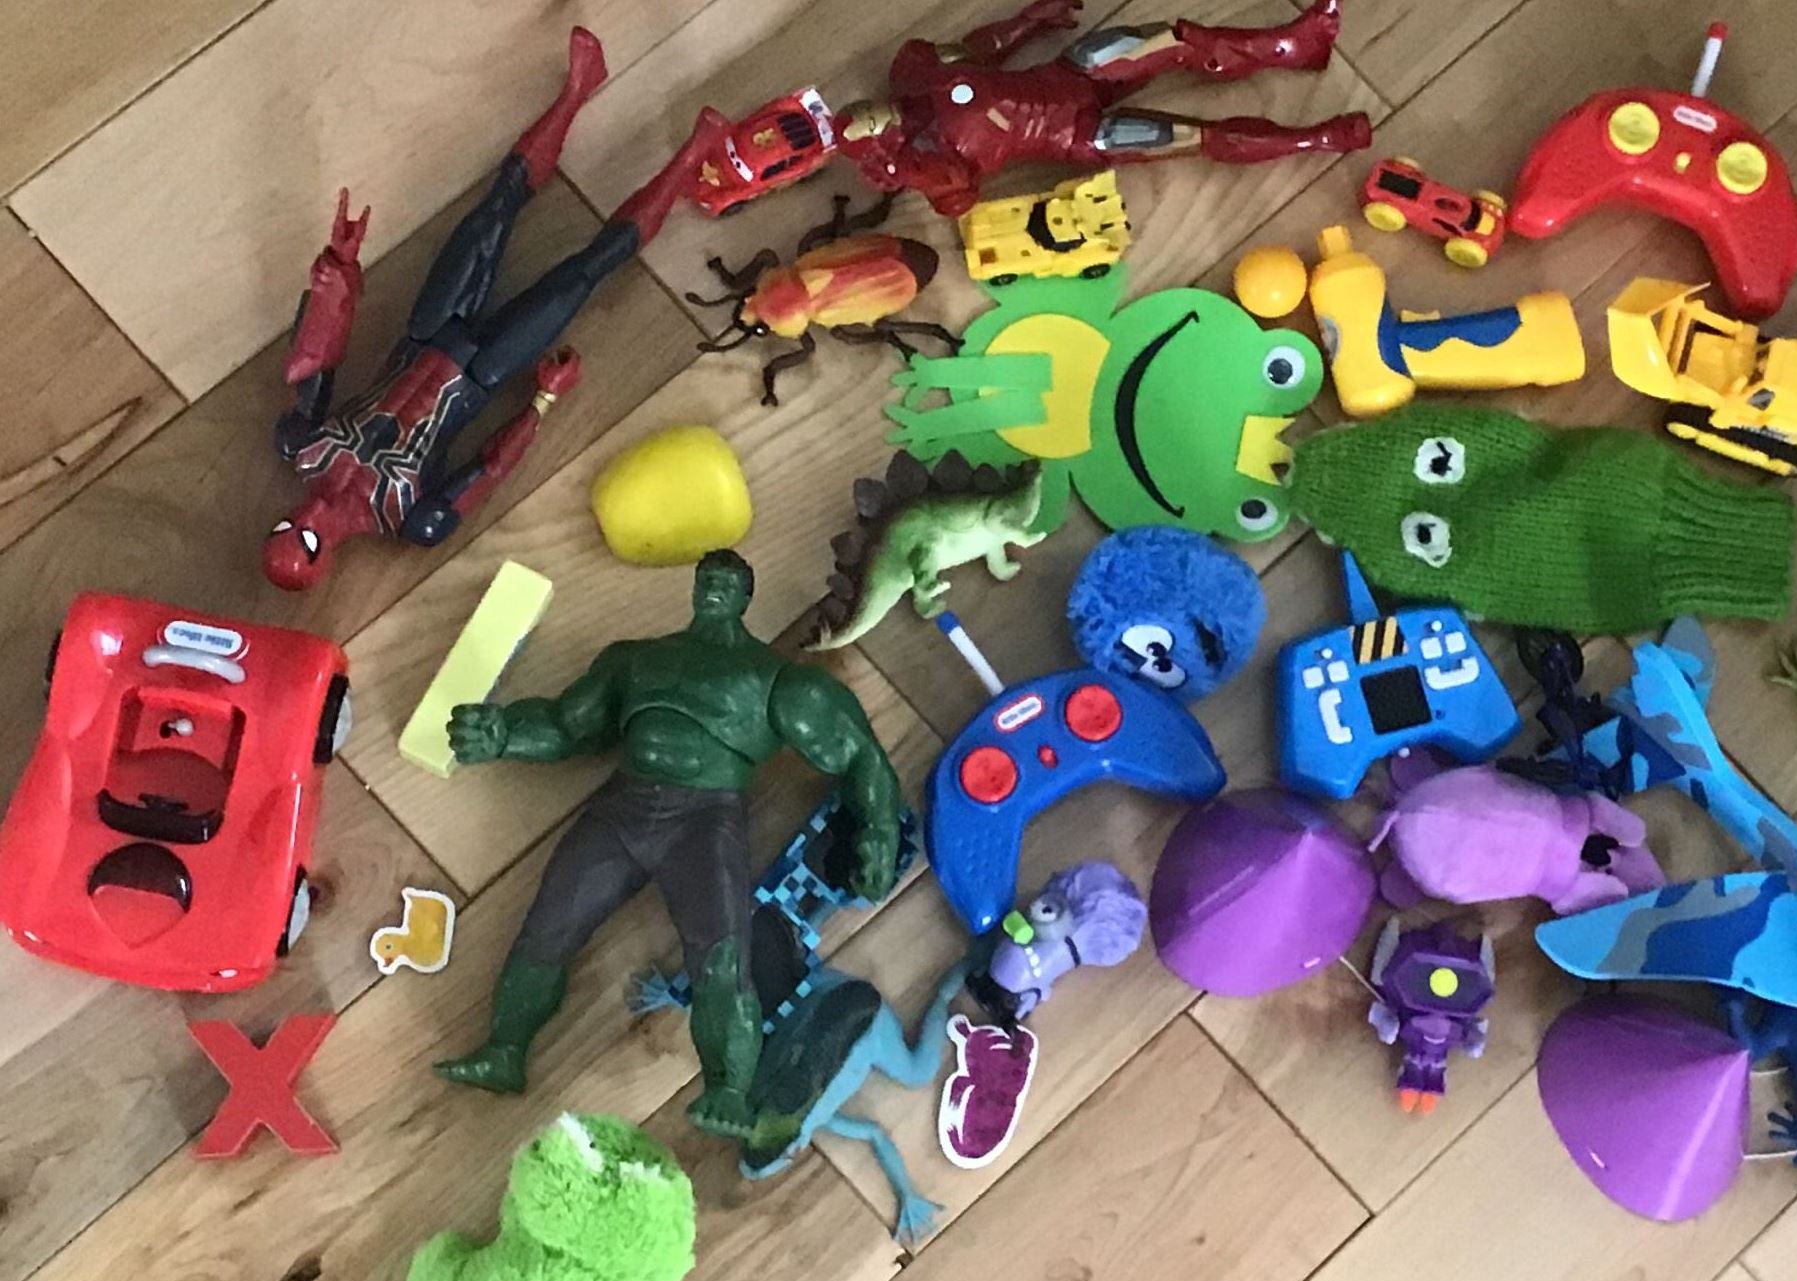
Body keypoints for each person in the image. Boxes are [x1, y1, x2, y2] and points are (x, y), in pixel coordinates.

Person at [434, 550, 904, 1142]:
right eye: (707, 579)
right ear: (694, 587)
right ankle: (504, 1049)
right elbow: (565, 725)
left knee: (721, 959)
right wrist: (503, 733)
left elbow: (860, 753)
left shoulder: (772, 679)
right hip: (621, 809)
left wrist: (879, 830)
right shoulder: (636, 660)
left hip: (705, 824)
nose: (714, 589)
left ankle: (728, 1089)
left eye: (726, 582)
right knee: (548, 926)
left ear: (746, 596)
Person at [264, 28, 731, 590]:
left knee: (494, 210)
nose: (309, 517)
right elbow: (489, 467)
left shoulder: (304, 445)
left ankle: (576, 92)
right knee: (585, 271)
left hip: (427, 330)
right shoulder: (410, 519)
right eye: (309, 540)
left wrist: (336, 272)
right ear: (325, 561)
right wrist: (543, 400)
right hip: (484, 370)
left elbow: (315, 360)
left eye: (288, 524)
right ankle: (687, 163)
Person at [834, 0, 1370, 217]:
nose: (880, 116)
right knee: (1196, 136)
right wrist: (904, 171)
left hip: (1070, 73)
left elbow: (981, 50)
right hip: (1079, 134)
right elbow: (957, 190)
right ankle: (1316, 138)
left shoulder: (918, 72)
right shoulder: (928, 155)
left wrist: (1031, 20)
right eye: (874, 127)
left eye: (869, 111)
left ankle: (1290, 45)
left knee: (1171, 38)